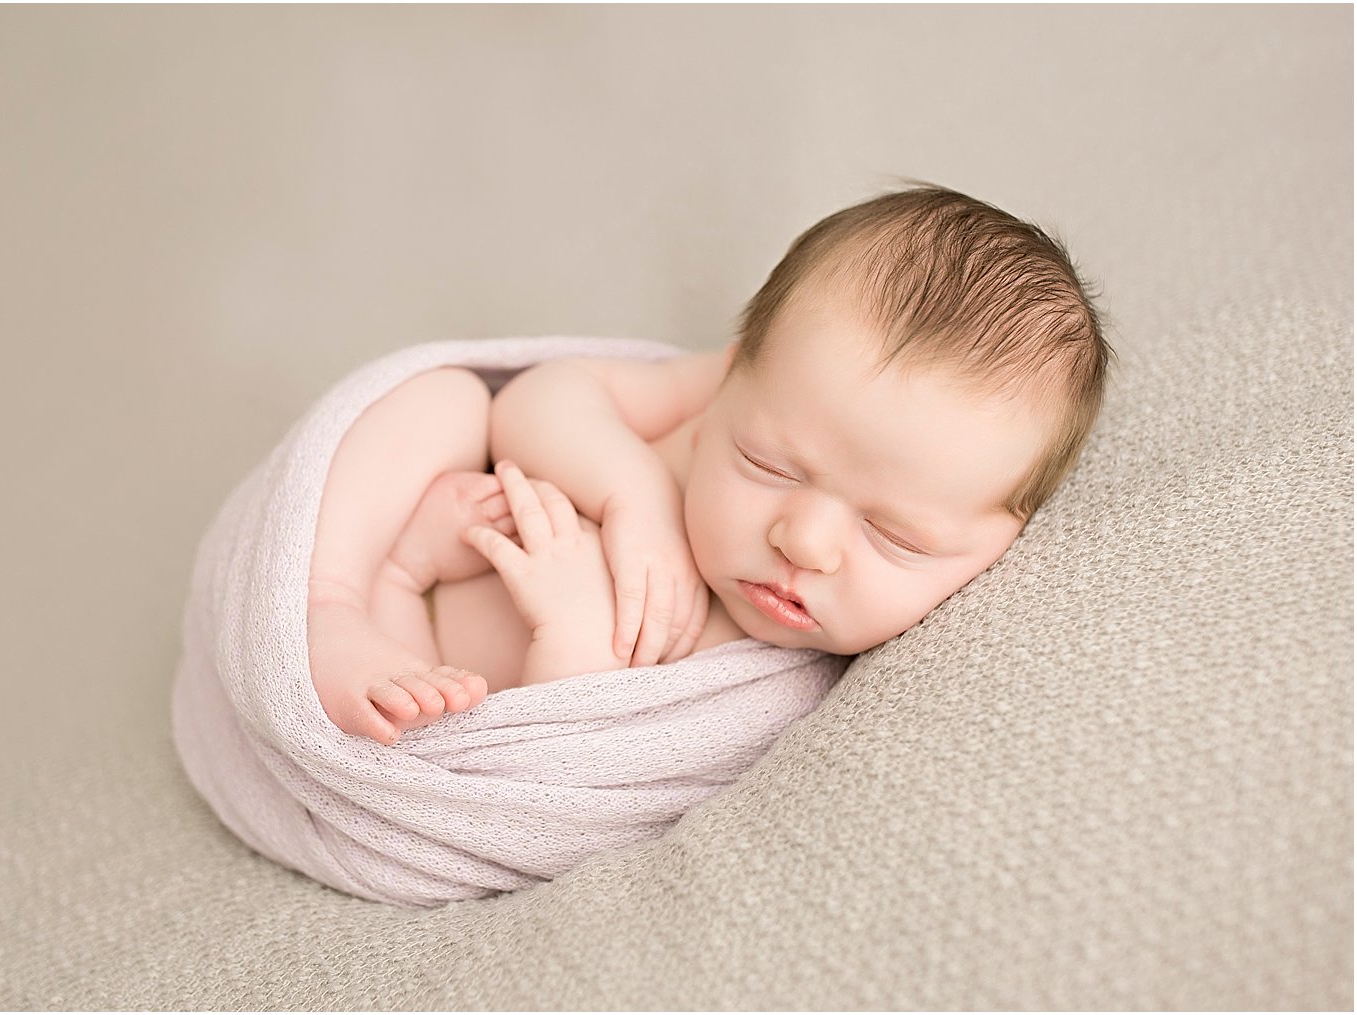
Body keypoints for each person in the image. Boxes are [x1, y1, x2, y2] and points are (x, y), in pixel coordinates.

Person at [306, 184, 1111, 746]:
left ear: (998, 544)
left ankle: (375, 626)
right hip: (388, 550)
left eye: (894, 534)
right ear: (734, 373)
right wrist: (635, 493)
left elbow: (578, 773)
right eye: (767, 463)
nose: (805, 542)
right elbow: (533, 401)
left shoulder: (761, 693)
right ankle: (329, 600)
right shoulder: (705, 403)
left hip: (436, 689)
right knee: (439, 398)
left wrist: (575, 630)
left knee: (426, 713)